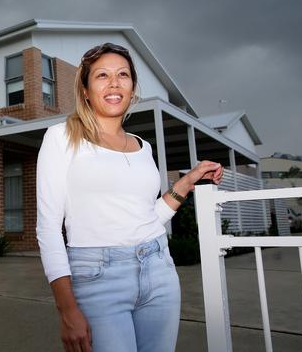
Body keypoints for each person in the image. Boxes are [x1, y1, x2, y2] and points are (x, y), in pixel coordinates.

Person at [36, 43, 223, 352]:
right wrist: (66, 309)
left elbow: (148, 217)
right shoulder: (61, 137)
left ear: (133, 87)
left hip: (159, 269)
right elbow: (48, 229)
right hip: (98, 278)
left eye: (123, 74)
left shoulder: (143, 146)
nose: (114, 83)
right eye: (102, 76)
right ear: (85, 89)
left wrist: (188, 181)